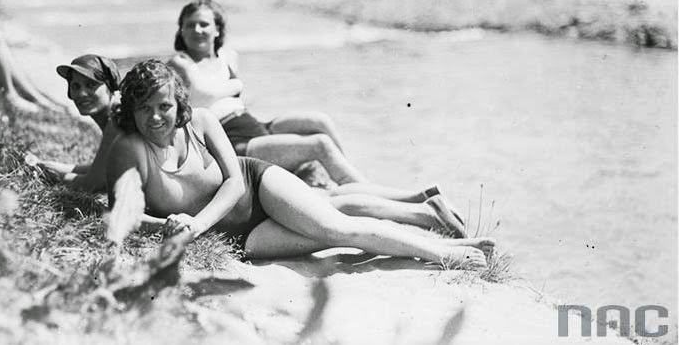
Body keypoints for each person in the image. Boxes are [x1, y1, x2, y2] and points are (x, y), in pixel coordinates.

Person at [105, 60, 494, 266]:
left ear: (178, 105)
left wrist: (194, 225)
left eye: (164, 106)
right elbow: (122, 214)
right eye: (144, 109)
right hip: (242, 239)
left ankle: (447, 253)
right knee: (334, 224)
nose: (156, 117)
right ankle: (427, 218)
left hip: (258, 186)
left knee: (338, 228)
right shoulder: (130, 150)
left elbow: (235, 183)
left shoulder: (202, 122)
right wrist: (169, 225)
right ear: (132, 111)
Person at [167, 0, 467, 234]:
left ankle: (356, 184)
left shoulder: (227, 56)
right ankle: (387, 196)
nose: (197, 30)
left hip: (250, 121)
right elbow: (197, 99)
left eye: (204, 24)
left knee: (319, 120)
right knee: (319, 144)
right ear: (180, 30)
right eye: (190, 25)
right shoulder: (180, 63)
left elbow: (235, 98)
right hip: (231, 139)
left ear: (217, 29)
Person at [34, 54, 123, 193]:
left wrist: (56, 176)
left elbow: (93, 184)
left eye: (91, 85)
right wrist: (45, 166)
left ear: (110, 87)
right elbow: (100, 167)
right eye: (75, 86)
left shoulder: (119, 117)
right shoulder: (119, 112)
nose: (82, 93)